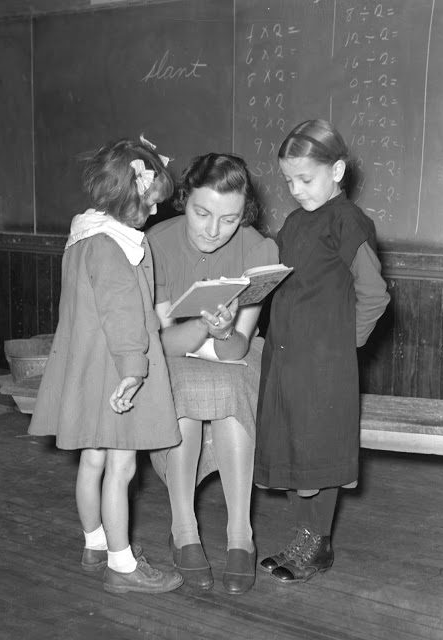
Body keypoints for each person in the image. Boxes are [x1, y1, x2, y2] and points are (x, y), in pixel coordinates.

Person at [28, 138, 183, 594]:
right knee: (122, 468)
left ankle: (94, 542)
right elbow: (122, 316)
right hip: (117, 372)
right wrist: (134, 370)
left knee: (92, 461)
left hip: (88, 371)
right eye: (149, 203)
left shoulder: (83, 236)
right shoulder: (116, 246)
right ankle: (122, 565)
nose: (154, 213)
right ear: (128, 194)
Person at [255, 119, 390, 584]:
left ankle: (317, 543)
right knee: (294, 448)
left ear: (337, 170)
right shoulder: (294, 222)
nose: (295, 190)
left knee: (320, 452)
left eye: (305, 179)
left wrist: (340, 348)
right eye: (288, 180)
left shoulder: (347, 221)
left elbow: (374, 294)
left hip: (323, 363)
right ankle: (302, 537)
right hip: (285, 357)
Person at [148, 153, 279, 595]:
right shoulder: (156, 243)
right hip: (175, 353)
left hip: (236, 355)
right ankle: (184, 529)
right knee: (182, 392)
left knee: (229, 386)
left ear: (245, 215)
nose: (212, 229)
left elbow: (240, 345)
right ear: (183, 200)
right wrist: (204, 325)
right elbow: (164, 342)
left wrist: (222, 332)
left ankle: (241, 535)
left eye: (229, 219)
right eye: (201, 213)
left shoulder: (260, 249)